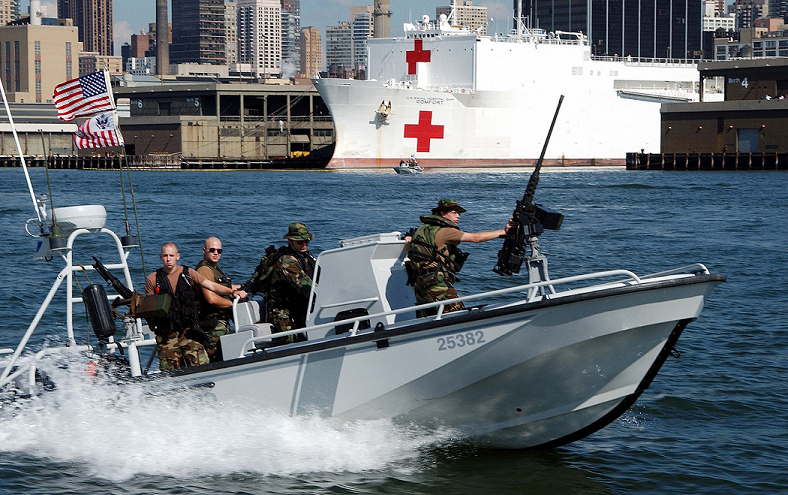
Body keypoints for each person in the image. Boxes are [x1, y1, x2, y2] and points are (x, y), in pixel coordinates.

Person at [145, 242, 246, 371]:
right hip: (167, 333)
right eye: (165, 255)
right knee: (171, 371)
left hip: (189, 330)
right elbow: (150, 307)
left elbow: (211, 285)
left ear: (178, 256)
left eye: (171, 255)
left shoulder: (188, 273)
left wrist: (231, 292)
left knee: (201, 365)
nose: (168, 259)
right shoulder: (153, 279)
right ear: (160, 257)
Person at [407, 199, 513, 318]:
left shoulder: (422, 230)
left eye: (458, 213)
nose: (458, 216)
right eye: (454, 212)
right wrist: (504, 231)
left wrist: (407, 238)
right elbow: (475, 238)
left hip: (419, 284)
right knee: (458, 316)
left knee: (427, 320)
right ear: (443, 213)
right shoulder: (446, 231)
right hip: (436, 283)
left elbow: (409, 247)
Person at [243, 223, 316, 344]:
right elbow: (305, 285)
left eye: (306, 241)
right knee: (295, 341)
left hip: (300, 308)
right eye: (300, 242)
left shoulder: (306, 257)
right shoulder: (287, 261)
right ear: (290, 241)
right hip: (284, 312)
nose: (304, 245)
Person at [195, 236, 241, 363]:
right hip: (212, 326)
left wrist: (242, 288)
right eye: (212, 250)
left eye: (219, 251)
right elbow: (211, 299)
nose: (216, 253)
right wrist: (233, 304)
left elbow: (222, 287)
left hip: (220, 323)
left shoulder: (214, 268)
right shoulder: (204, 270)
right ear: (204, 250)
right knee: (216, 360)